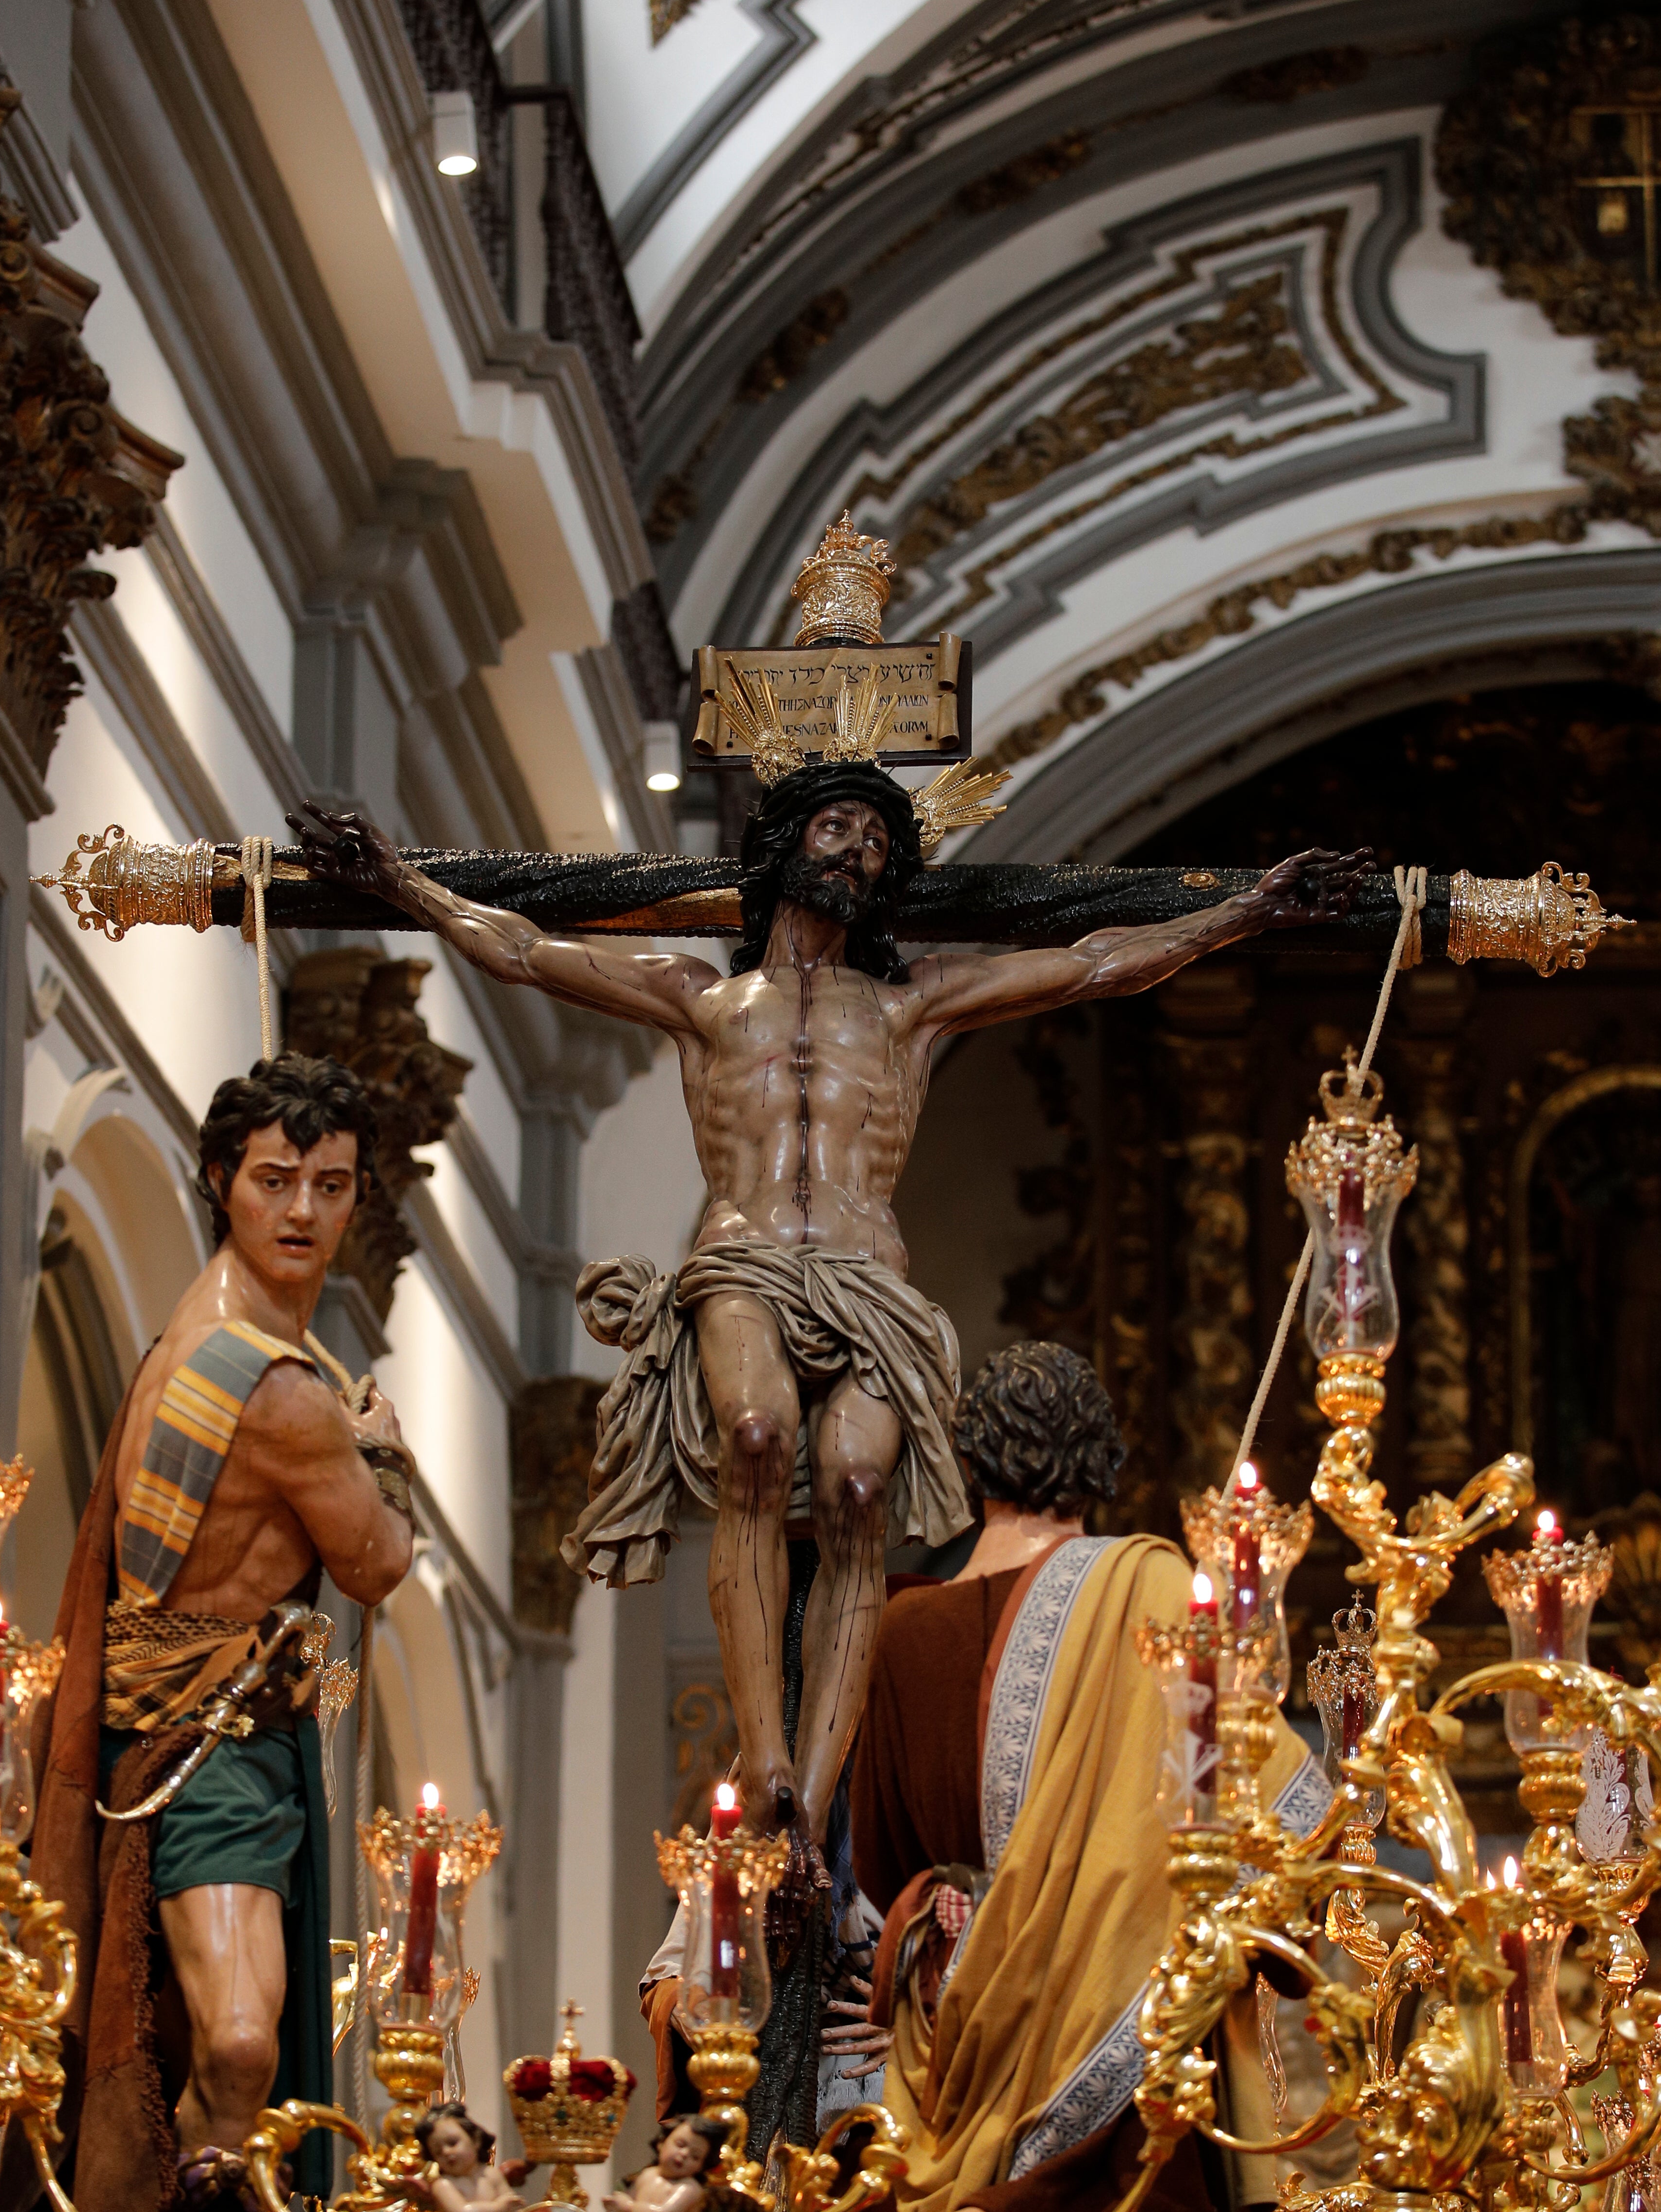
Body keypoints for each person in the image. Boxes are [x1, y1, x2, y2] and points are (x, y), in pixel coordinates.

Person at [292, 781, 1366, 1872]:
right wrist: (391, 879)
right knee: (753, 1436)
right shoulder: (701, 998)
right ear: (787, 846)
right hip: (744, 1259)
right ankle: (762, 1761)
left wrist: (1243, 913)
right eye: (834, 828)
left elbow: (1095, 960)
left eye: (876, 839)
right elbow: (520, 949)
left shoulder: (910, 1007)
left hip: (868, 1278)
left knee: (859, 1494)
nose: (854, 850)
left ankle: (809, 1795)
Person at [0, 1052, 417, 2212]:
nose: (303, 1212)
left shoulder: (226, 1331)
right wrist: (383, 1459)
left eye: (332, 1186)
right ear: (222, 1181)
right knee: (238, 2045)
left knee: (234, 2040)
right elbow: (380, 1564)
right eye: (276, 1179)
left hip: (227, 1737)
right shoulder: (277, 1389)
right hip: (211, 1748)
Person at [834, 1341, 1336, 2212]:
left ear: (973, 1463)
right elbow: (1259, 1803)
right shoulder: (1146, 1586)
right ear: (1098, 1463)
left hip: (956, 2014)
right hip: (1112, 1991)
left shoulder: (899, 1634)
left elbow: (888, 1858)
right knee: (1140, 2189)